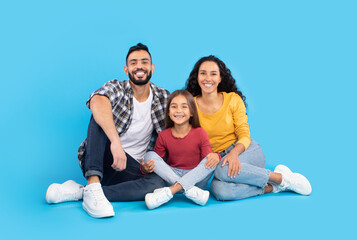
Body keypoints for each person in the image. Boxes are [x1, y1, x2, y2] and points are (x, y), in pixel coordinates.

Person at [45, 43, 169, 218]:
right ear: (126, 69)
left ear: (152, 68)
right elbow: (96, 101)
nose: (139, 66)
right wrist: (116, 143)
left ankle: (86, 192)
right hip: (105, 159)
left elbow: (179, 127)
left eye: (144, 62)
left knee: (157, 183)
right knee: (99, 111)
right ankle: (93, 182)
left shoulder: (163, 97)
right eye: (133, 63)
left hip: (133, 169)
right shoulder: (118, 87)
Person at [185, 55, 312, 201]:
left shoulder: (232, 99)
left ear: (220, 78)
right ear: (197, 77)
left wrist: (233, 154)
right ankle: (273, 187)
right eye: (203, 73)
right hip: (218, 159)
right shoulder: (190, 106)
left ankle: (281, 178)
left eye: (213, 74)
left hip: (245, 151)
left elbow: (244, 134)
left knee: (222, 170)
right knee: (220, 191)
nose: (208, 78)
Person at [142, 90, 221, 209]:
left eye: (184, 107)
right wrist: (144, 168)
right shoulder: (164, 135)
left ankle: (170, 191)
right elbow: (156, 162)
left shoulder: (200, 133)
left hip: (196, 179)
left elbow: (206, 162)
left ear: (192, 113)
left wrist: (217, 156)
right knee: (150, 155)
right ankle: (187, 190)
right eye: (174, 107)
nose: (179, 110)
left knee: (212, 160)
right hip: (172, 176)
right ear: (168, 112)